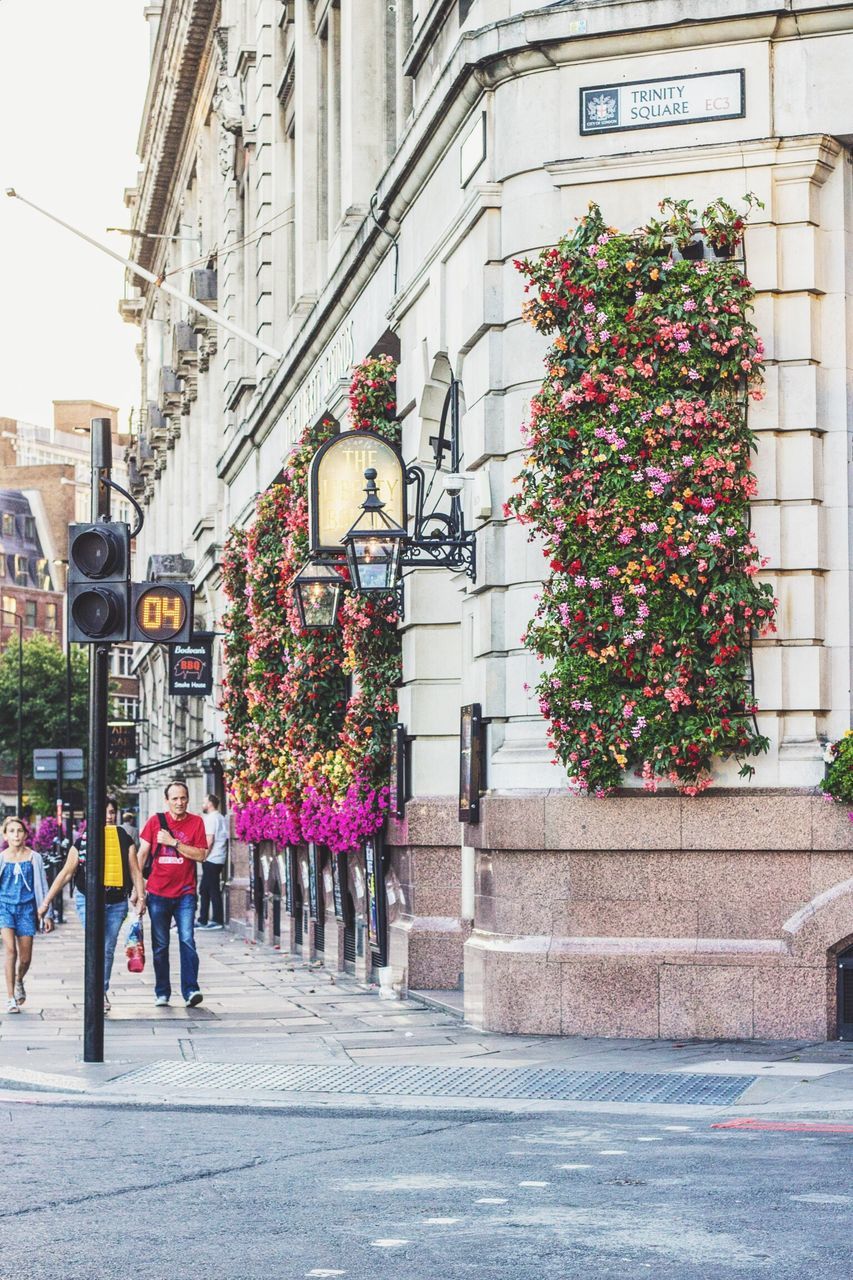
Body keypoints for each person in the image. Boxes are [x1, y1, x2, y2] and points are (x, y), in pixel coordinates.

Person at [38, 797, 145, 1013]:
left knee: (107, 948)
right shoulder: (82, 842)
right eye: (104, 812)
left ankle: (100, 991)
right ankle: (95, 994)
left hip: (116, 901)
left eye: (112, 812)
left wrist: (141, 897)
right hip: (88, 899)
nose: (109, 816)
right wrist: (46, 902)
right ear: (93, 815)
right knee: (96, 945)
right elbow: (66, 873)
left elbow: (135, 870)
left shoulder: (123, 837)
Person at [137, 781, 208, 1008]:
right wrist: (137, 890)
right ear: (166, 801)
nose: (180, 803)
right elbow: (142, 854)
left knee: (187, 940)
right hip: (157, 893)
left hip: (185, 893)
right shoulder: (154, 822)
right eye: (175, 799)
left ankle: (190, 990)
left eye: (183, 798)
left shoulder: (196, 822)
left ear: (188, 799)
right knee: (160, 945)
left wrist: (174, 843)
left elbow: (201, 855)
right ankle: (162, 992)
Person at [0, 815, 54, 1014]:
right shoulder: (2, 858)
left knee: (25, 958)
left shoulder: (34, 857)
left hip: (27, 910)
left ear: (25, 834)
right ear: (5, 835)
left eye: (19, 831)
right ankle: (10, 998)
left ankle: (19, 979)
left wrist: (48, 914)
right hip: (4, 908)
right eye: (11, 831)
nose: (16, 834)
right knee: (10, 951)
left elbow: (43, 886)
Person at [199, 794, 228, 930]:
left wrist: (203, 856)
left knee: (211, 890)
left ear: (210, 803)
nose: (203, 804)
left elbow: (209, 840)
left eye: (204, 802)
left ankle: (216, 919)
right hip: (218, 858)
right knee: (205, 889)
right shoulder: (220, 817)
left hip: (212, 858)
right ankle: (203, 919)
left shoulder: (211, 819)